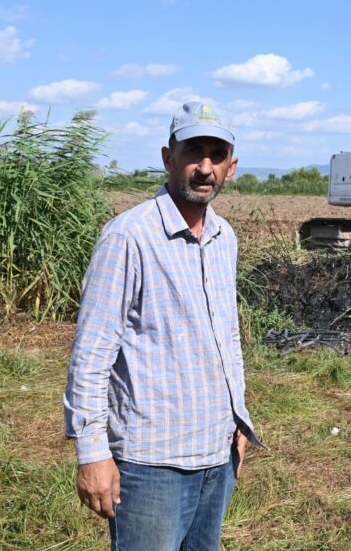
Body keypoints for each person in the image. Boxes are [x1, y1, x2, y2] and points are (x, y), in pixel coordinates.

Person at [64, 101, 260, 550]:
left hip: (217, 455)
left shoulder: (224, 237)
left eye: (217, 155)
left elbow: (227, 337)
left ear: (231, 167)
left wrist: (238, 421)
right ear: (168, 158)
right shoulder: (128, 237)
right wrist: (92, 452)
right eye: (194, 152)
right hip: (152, 463)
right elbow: (92, 353)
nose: (205, 168)